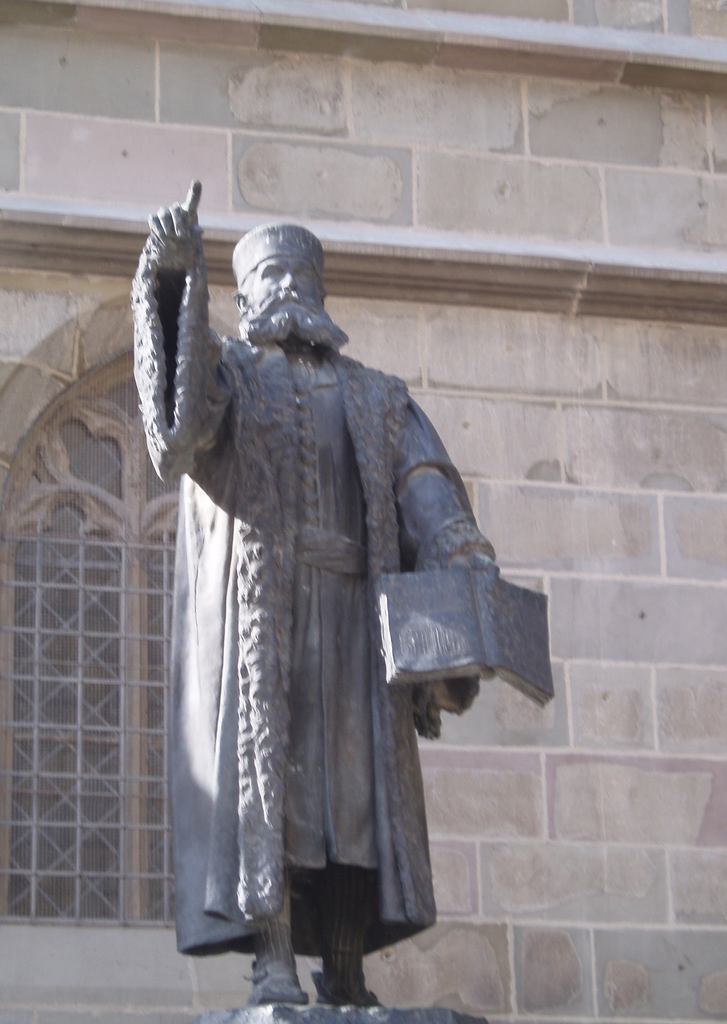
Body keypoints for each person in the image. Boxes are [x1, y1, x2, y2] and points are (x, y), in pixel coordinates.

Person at [131, 182, 497, 1007]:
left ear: (319, 292)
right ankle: (272, 959)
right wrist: (171, 279)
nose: (285, 292)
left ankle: (347, 963)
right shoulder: (232, 376)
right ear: (249, 295)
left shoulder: (377, 396)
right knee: (278, 789)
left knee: (353, 796)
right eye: (269, 279)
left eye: (299, 276)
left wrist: (460, 551)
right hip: (265, 622)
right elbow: (179, 431)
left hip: (358, 617)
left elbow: (426, 489)